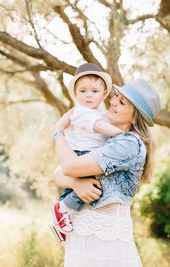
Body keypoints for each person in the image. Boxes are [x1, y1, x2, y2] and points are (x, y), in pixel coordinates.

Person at [52, 77, 161, 266]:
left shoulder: (128, 143)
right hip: (85, 232)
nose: (112, 101)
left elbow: (69, 167)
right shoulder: (107, 138)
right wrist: (76, 183)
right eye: (116, 96)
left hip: (105, 238)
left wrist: (58, 132)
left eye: (121, 102)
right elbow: (58, 173)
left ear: (135, 117)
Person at [51, 63, 125, 241]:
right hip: (81, 152)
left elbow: (105, 120)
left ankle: (60, 223)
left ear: (104, 94)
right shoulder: (80, 112)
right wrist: (122, 134)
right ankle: (62, 209)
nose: (88, 96)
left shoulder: (99, 111)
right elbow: (98, 126)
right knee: (93, 184)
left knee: (87, 187)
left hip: (90, 153)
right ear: (76, 94)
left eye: (94, 91)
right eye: (82, 91)